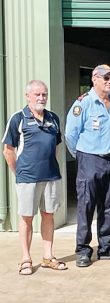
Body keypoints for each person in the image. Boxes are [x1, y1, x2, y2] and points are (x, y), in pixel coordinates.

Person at [65, 64, 110, 267]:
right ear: (94, 79)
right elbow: (70, 134)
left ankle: (106, 246)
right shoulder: (83, 103)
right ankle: (83, 250)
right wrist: (82, 155)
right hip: (90, 159)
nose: (109, 81)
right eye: (105, 78)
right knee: (86, 205)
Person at [3, 80, 67, 275]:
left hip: (50, 177)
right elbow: (8, 150)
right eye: (37, 94)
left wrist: (49, 166)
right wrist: (19, 172)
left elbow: (56, 147)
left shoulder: (53, 118)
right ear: (28, 96)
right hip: (27, 178)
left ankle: (48, 257)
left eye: (44, 94)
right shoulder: (18, 119)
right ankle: (26, 259)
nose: (41, 98)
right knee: (27, 218)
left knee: (48, 215)